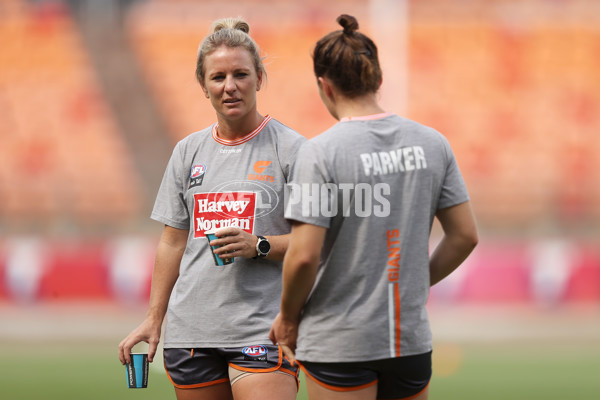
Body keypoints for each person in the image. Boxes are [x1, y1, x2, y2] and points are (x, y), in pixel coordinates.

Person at [269, 14, 478, 400]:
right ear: (378, 79)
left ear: (324, 86)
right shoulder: (433, 143)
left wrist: (286, 317)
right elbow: (464, 236)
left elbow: (302, 257)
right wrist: (416, 282)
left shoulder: (320, 153)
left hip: (340, 341)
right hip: (409, 340)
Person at [118, 17, 305, 400]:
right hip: (191, 333)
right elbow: (172, 243)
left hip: (263, 328)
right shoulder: (187, 152)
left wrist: (260, 245)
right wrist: (155, 319)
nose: (230, 86)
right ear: (204, 86)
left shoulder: (292, 149)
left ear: (259, 79)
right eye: (218, 77)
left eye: (241, 74)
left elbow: (319, 240)